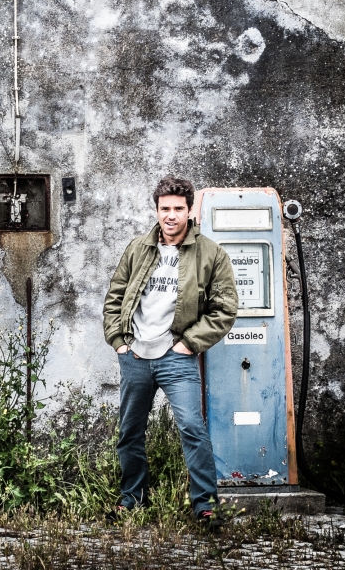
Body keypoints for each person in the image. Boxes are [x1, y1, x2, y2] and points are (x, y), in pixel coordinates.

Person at [103, 175, 238, 526]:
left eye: (178, 208)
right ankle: (132, 499)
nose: (171, 215)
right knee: (129, 431)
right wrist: (119, 342)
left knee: (192, 428)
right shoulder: (138, 248)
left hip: (176, 357)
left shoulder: (210, 254)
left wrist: (188, 344)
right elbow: (115, 297)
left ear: (189, 210)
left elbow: (225, 309)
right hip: (135, 356)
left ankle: (206, 506)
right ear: (157, 210)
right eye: (165, 208)